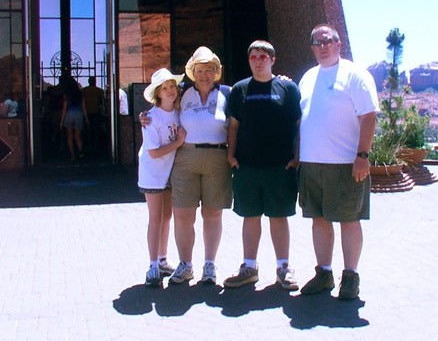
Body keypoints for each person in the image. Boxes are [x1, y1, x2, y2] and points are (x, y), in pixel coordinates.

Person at [298, 24, 379, 300]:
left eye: (327, 41)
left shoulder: (355, 75)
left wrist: (362, 156)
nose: (322, 46)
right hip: (311, 165)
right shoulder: (308, 78)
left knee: (349, 219)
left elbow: (368, 116)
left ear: (338, 44)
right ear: (312, 47)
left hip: (346, 165)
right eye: (317, 42)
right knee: (318, 220)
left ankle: (351, 277)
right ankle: (324, 274)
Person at [140, 46, 232, 285]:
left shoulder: (228, 93)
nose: (204, 75)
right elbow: (162, 103)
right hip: (186, 158)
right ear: (192, 72)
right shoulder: (182, 92)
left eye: (209, 70)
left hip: (216, 158)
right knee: (182, 214)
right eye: (199, 70)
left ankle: (209, 265)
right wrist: (144, 116)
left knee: (212, 213)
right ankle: (186, 264)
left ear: (215, 72)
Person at [223, 40, 301, 291]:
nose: (258, 61)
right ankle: (249, 268)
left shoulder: (288, 88)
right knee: (250, 216)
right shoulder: (239, 89)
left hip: (280, 166)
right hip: (247, 166)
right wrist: (231, 155)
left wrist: (297, 155)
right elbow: (233, 125)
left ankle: (283, 267)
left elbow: (299, 125)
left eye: (263, 57)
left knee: (278, 217)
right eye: (253, 57)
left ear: (273, 60)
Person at [138, 68, 186, 286]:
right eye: (164, 88)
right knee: (155, 219)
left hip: (169, 173)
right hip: (153, 174)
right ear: (157, 92)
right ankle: (152, 266)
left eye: (172, 86)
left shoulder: (177, 112)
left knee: (167, 216)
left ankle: (163, 259)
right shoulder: (151, 118)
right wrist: (177, 143)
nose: (169, 91)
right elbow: (154, 152)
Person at [59, 75, 88, 162]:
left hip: (69, 115)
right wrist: (86, 118)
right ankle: (80, 151)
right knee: (78, 136)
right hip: (79, 114)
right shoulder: (80, 94)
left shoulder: (67, 95)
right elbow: (84, 108)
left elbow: (64, 109)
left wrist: (61, 122)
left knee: (69, 136)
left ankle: (72, 156)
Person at [82, 77, 104, 151]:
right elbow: (102, 101)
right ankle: (95, 145)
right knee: (96, 130)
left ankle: (89, 144)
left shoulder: (84, 90)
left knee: (88, 130)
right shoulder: (99, 91)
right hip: (96, 112)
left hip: (87, 113)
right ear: (95, 81)